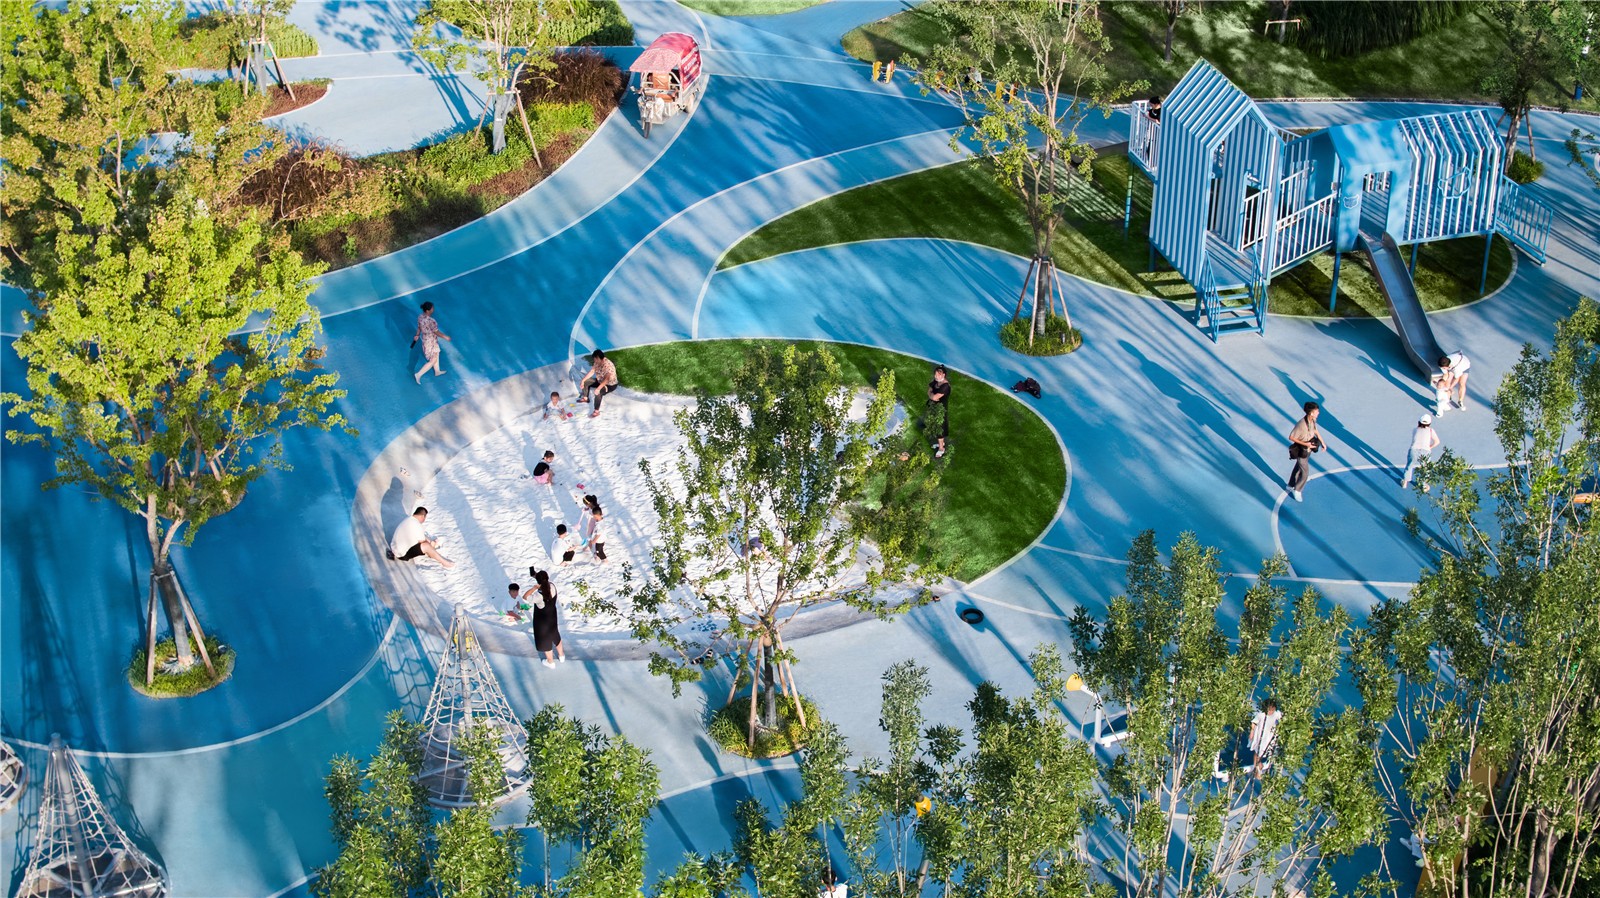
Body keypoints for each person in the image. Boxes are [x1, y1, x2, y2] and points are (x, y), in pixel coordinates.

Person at [389, 506, 454, 568]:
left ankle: (432, 548)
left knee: (425, 539)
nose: (424, 520)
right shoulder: (417, 525)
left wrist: (430, 541)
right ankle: (444, 562)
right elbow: (423, 542)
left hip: (394, 548)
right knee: (426, 546)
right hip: (401, 554)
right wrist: (431, 545)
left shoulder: (408, 519)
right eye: (425, 518)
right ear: (423, 516)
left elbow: (421, 536)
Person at [1285, 400, 1324, 503]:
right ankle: (1297, 490)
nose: (1318, 412)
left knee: (1298, 467)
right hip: (1301, 450)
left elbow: (1315, 431)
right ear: (1311, 413)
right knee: (1305, 472)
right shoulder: (1301, 424)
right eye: (1317, 411)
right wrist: (1306, 444)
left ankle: (1290, 485)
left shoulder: (1312, 420)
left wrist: (1323, 442)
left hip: (1308, 450)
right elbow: (1291, 437)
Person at [528, 567, 566, 667]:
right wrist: (536, 576)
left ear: (538, 582)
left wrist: (534, 588)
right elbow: (544, 581)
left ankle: (550, 662)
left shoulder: (538, 596)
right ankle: (561, 656)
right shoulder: (552, 586)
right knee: (555, 634)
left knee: (545, 640)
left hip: (542, 621)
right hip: (552, 616)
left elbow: (526, 597)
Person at [412, 301, 451, 383]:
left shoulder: (420, 317)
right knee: (433, 360)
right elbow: (436, 332)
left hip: (426, 340)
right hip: (430, 342)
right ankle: (418, 374)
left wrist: (417, 335)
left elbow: (419, 327)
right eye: (432, 308)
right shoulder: (432, 321)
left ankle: (437, 371)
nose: (433, 309)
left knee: (436, 353)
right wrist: (445, 337)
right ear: (427, 310)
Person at [1400, 413, 1440, 491]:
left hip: (1414, 450)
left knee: (1410, 465)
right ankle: (1424, 485)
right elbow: (1437, 442)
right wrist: (1430, 447)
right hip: (1425, 451)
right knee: (1425, 468)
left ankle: (1405, 482)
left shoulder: (1415, 430)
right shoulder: (1431, 430)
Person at [577, 349, 619, 417]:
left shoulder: (608, 365)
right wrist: (583, 380)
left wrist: (598, 388)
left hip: (610, 384)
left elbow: (607, 379)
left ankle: (596, 411)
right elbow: (592, 372)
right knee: (586, 382)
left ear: (599, 358)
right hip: (600, 380)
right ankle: (585, 398)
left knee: (598, 392)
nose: (594, 361)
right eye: (594, 359)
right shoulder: (597, 362)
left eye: (595, 359)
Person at [1248, 698, 1282, 778]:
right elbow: (1254, 723)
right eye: (1269, 710)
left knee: (1268, 750)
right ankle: (1257, 769)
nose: (1271, 712)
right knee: (1258, 751)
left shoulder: (1276, 714)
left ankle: (1262, 766)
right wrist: (1252, 732)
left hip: (1269, 736)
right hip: (1261, 735)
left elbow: (1283, 717)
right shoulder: (1261, 714)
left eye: (1272, 710)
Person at [926, 365, 951, 459]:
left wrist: (932, 395)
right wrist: (932, 395)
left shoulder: (945, 386)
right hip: (933, 407)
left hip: (940, 410)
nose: (936, 377)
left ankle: (941, 448)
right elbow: (929, 391)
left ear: (943, 375)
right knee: (935, 426)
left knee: (939, 429)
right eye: (935, 375)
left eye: (938, 375)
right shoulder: (936, 381)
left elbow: (934, 397)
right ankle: (941, 443)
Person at [583, 495, 608, 563]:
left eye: (586, 505)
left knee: (599, 549)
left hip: (598, 536)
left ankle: (602, 558)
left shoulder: (598, 524)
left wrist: (593, 541)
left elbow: (598, 534)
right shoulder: (598, 518)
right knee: (598, 546)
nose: (587, 506)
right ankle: (593, 549)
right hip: (600, 535)